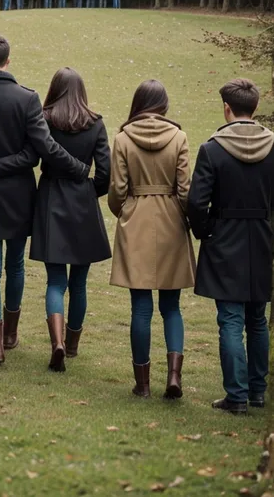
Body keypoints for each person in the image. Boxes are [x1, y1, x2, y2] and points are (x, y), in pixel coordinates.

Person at [0, 34, 90, 367]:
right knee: (13, 266)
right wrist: (80, 170)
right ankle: (8, 337)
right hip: (18, 195)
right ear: (8, 61)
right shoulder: (27, 98)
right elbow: (33, 155)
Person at [188, 79, 274, 415]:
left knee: (231, 321)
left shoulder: (212, 149)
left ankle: (236, 396)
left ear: (227, 108)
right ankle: (257, 392)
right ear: (255, 106)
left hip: (224, 238)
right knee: (257, 320)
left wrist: (207, 232)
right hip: (263, 239)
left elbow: (197, 203)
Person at [108, 80, 195, 399]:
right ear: (164, 104)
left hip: (136, 220)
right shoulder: (180, 136)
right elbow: (185, 190)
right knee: (172, 307)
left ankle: (142, 384)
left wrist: (125, 212)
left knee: (140, 308)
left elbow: (117, 189)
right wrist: (183, 217)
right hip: (172, 220)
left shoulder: (122, 138)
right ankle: (174, 376)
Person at [30, 68, 111, 372]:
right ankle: (72, 345)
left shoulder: (44, 119)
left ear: (54, 89)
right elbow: (105, 174)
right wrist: (90, 193)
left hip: (51, 197)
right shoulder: (95, 123)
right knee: (79, 282)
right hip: (83, 201)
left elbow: (35, 156)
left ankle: (57, 343)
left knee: (55, 280)